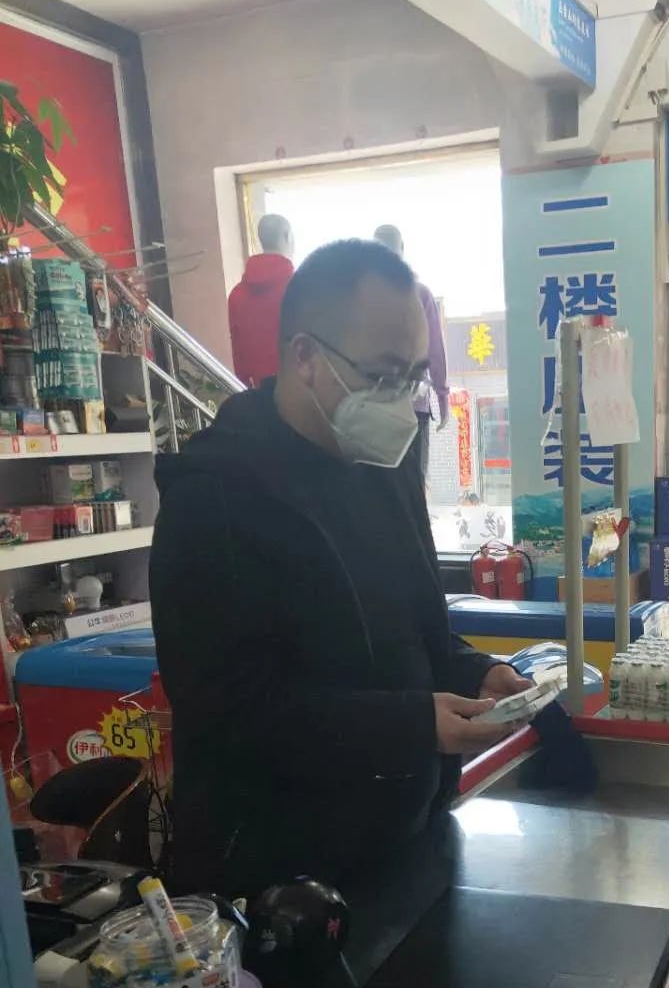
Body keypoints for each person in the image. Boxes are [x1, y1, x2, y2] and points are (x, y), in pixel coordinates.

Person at [151, 239, 529, 897]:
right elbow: (228, 710)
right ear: (305, 357)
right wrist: (411, 726)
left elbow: (411, 630)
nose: (400, 399)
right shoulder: (215, 494)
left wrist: (474, 671)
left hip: (404, 840)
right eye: (383, 375)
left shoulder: (384, 467)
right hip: (278, 880)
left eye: (413, 376)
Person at [374, 224, 449, 479]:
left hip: (376, 406)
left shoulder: (362, 298)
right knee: (415, 481)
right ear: (402, 249)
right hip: (413, 404)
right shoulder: (420, 293)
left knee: (382, 482)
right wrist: (442, 397)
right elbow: (435, 351)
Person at [227, 213, 295, 387]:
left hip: (260, 390)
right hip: (301, 389)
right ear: (287, 236)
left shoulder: (237, 295)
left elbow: (238, 354)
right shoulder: (299, 287)